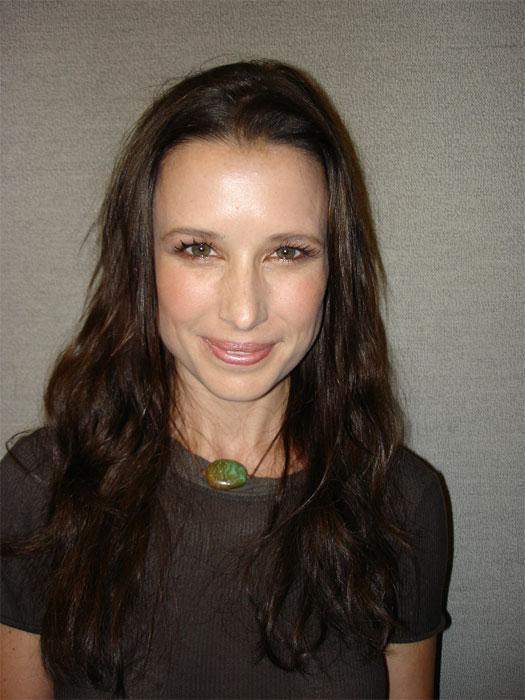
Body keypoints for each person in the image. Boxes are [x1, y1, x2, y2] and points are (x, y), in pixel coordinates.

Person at [0, 60, 448, 699]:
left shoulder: (402, 502)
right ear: (141, 262)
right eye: (198, 249)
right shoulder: (40, 489)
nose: (244, 312)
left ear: (335, 270)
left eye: (287, 252)